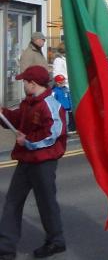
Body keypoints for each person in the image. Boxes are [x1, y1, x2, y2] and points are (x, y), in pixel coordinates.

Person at [0, 66, 67, 259]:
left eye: (24, 82)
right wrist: (2, 114)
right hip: (26, 160)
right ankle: (6, 250)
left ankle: (56, 241)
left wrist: (28, 140)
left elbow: (53, 134)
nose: (23, 85)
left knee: (46, 203)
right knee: (12, 202)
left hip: (43, 162)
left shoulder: (50, 104)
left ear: (33, 83)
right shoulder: (28, 103)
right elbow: (15, 118)